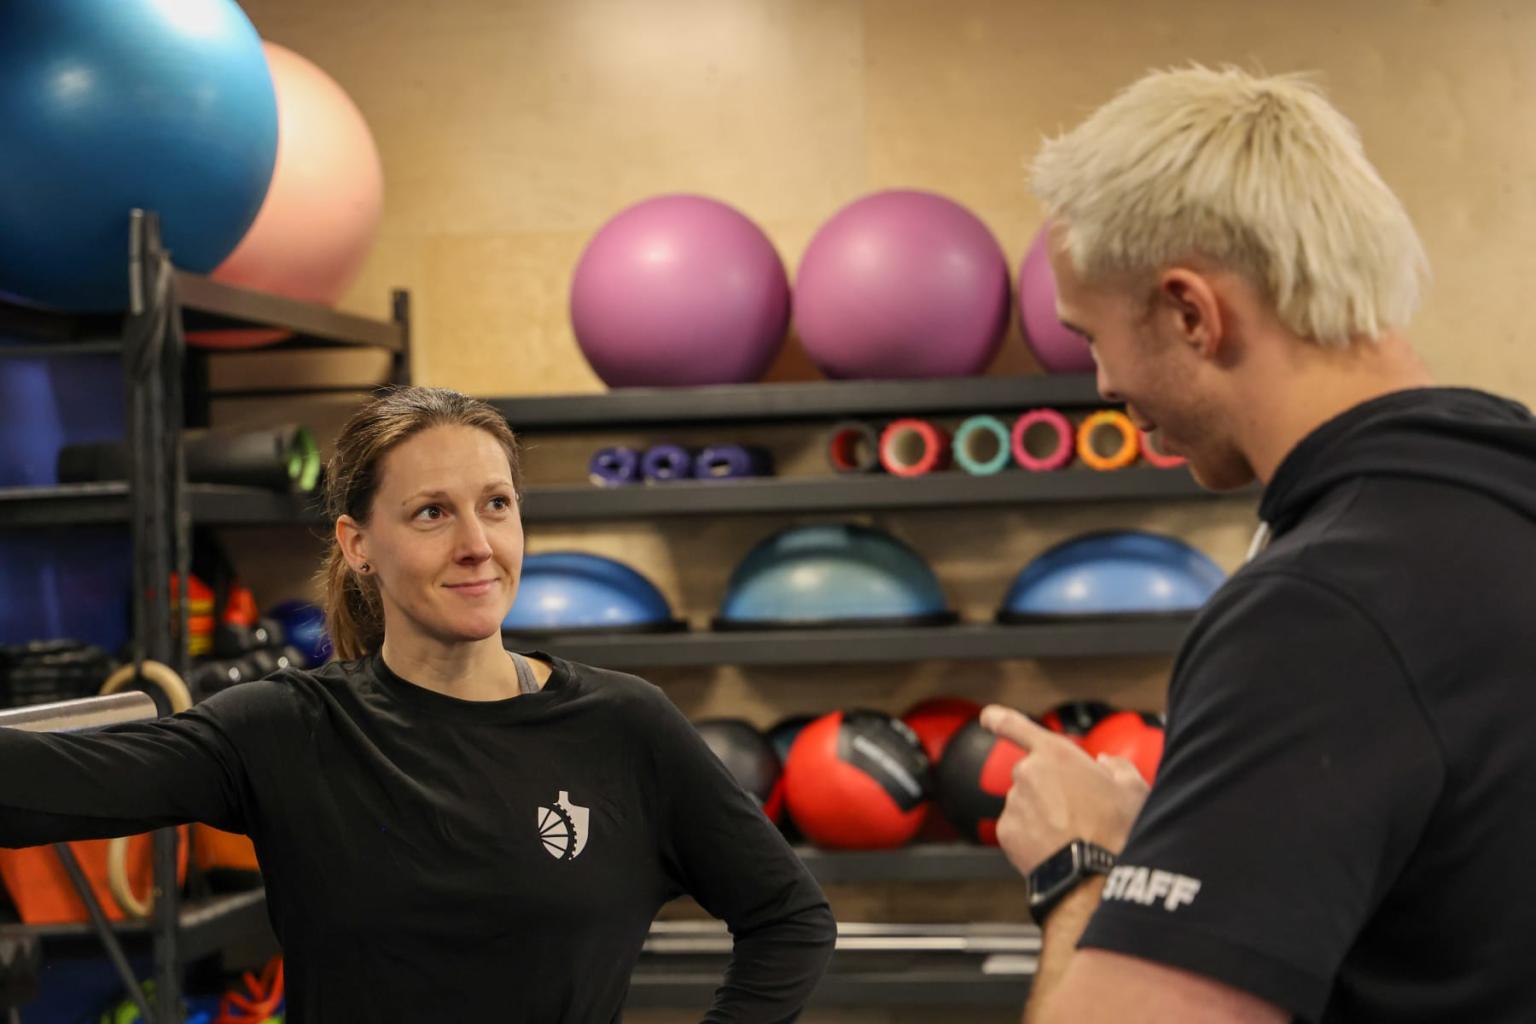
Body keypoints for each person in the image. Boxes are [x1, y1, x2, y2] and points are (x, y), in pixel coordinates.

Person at [0, 386, 836, 1022]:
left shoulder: (624, 726)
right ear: (357, 544)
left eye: (496, 506)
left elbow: (788, 917)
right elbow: (47, 781)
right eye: (433, 512)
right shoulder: (287, 728)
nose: (477, 544)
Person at [982, 65, 1536, 1023]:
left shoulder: (1327, 611)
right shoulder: (1497, 501)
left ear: (1192, 312)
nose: (1106, 384)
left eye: (1093, 338)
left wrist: (1083, 868)